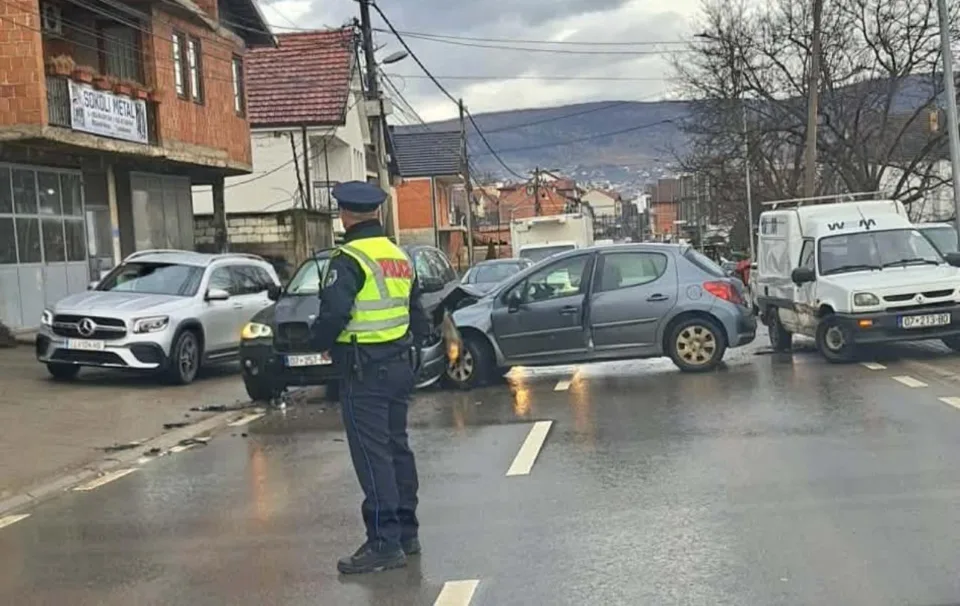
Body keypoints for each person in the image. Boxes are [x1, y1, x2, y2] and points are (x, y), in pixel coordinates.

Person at [311, 181, 431, 575]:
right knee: (397, 449)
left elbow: (334, 312)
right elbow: (418, 314)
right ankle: (407, 534)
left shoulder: (348, 258)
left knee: (372, 455)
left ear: (345, 216)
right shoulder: (399, 255)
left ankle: (383, 542)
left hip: (365, 371)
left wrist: (319, 342)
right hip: (399, 365)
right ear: (377, 213)